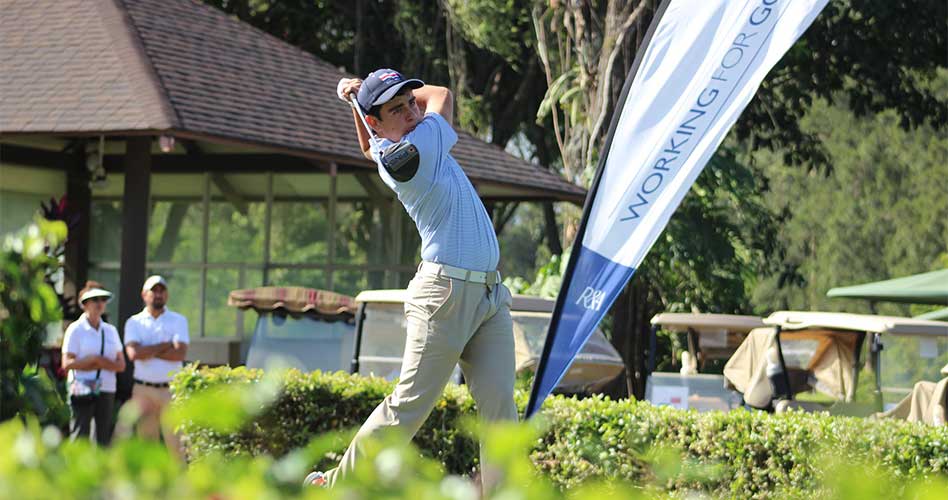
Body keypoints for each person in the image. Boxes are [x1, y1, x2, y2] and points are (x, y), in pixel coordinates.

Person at [306, 70, 517, 490]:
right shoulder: (424, 142)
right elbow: (440, 93)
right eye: (397, 109)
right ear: (378, 122)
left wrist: (359, 101)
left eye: (408, 103)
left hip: (489, 296)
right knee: (409, 406)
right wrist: (364, 86)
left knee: (500, 411)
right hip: (445, 297)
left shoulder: (391, 148)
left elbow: (369, 149)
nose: (411, 112)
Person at [123, 275, 189, 457]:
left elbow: (180, 354)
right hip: (144, 390)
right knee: (146, 444)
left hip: (172, 390)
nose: (158, 294)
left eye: (162, 290)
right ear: (144, 294)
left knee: (177, 446)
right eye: (154, 290)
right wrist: (166, 344)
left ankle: (180, 485)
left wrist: (148, 351)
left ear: (166, 295)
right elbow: (134, 354)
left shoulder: (178, 320)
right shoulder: (134, 322)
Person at [62, 281, 125, 445]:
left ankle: (100, 471)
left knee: (102, 437)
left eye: (103, 299)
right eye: (95, 299)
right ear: (85, 304)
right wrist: (93, 362)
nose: (100, 303)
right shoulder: (75, 329)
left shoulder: (110, 330)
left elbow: (121, 365)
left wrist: (98, 362)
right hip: (81, 384)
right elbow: (67, 363)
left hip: (107, 387)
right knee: (80, 435)